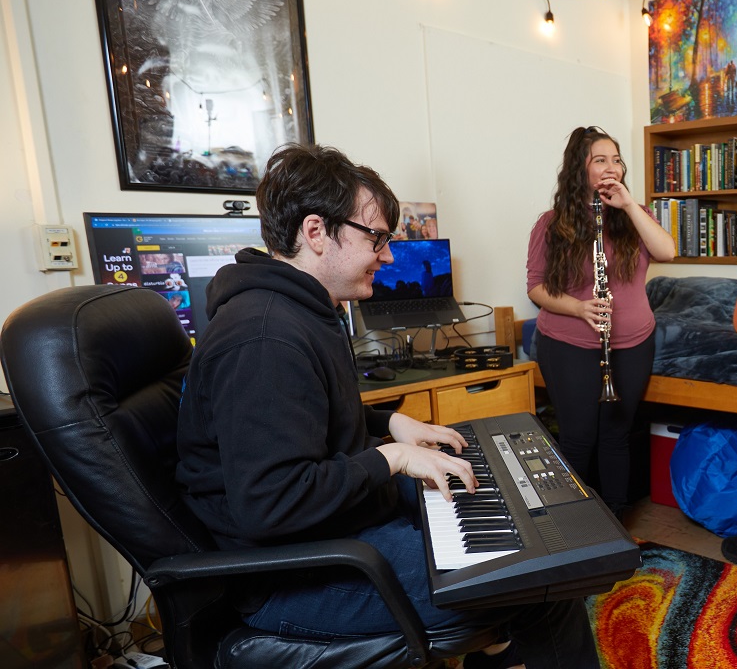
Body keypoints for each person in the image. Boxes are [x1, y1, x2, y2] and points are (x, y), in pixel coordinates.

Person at [174, 143, 599, 668]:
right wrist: (392, 457)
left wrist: (392, 423)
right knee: (545, 584)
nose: (390, 255)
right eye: (376, 238)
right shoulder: (265, 338)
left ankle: (498, 642)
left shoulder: (299, 312)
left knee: (491, 514)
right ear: (316, 233)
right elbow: (272, 502)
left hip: (332, 534)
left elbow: (309, 419)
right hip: (294, 576)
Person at [527, 126, 676, 518]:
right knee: (578, 437)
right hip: (567, 344)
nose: (612, 168)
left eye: (617, 159)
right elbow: (536, 288)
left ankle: (615, 523)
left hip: (632, 343)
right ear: (580, 169)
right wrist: (578, 308)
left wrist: (629, 206)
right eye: (600, 160)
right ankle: (577, 525)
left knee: (617, 435)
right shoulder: (550, 224)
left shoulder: (635, 216)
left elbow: (668, 251)